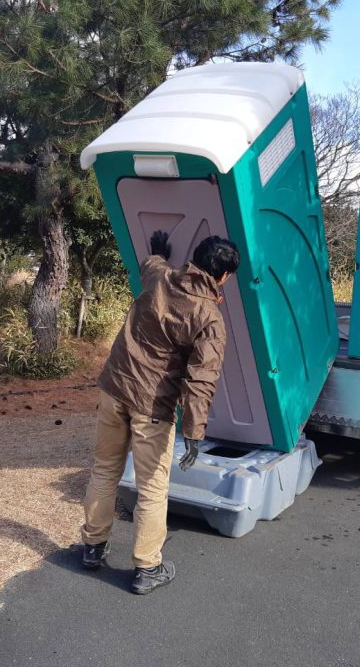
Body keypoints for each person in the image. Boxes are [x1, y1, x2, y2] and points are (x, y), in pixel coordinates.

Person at [80, 230, 240, 594]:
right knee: (152, 488)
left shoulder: (160, 277)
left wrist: (157, 252)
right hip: (151, 406)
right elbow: (201, 381)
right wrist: (194, 433)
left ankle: (92, 547)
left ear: (194, 260)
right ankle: (147, 567)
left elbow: (150, 265)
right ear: (224, 277)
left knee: (104, 469)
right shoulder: (209, 318)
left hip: (114, 388)